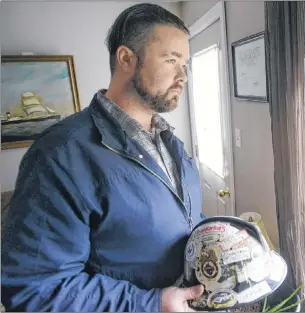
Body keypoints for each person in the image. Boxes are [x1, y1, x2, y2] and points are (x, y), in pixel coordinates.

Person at [1, 3, 206, 312]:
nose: (183, 76)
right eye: (171, 60)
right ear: (127, 59)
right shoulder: (58, 154)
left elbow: (183, 219)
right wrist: (150, 304)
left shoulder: (170, 142)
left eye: (185, 64)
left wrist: (223, 235)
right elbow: (34, 288)